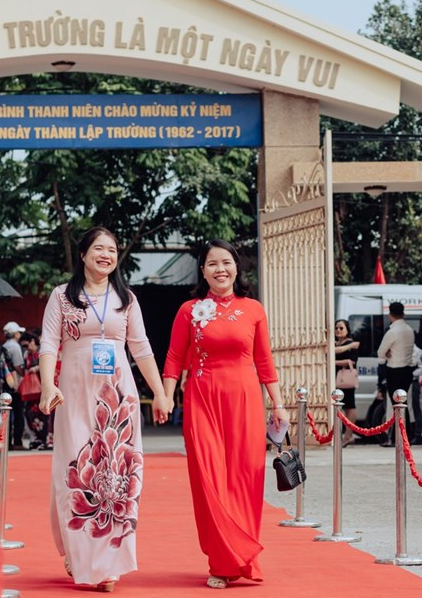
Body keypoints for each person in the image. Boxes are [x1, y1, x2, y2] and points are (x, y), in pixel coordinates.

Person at [37, 227, 167, 592]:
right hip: (74, 393)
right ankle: (78, 554)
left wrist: (159, 393)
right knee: (75, 470)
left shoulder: (126, 298)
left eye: (111, 249)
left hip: (117, 394)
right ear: (83, 254)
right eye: (98, 248)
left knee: (115, 473)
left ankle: (108, 563)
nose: (106, 255)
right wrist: (48, 385)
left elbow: (141, 348)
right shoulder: (62, 296)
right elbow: (49, 344)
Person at [162, 239, 287, 590]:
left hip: (245, 401)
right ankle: (221, 561)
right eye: (212, 263)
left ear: (236, 267)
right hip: (202, 400)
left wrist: (278, 404)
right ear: (203, 271)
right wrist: (167, 396)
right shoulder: (189, 310)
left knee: (244, 478)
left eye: (226, 262)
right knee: (209, 478)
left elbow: (264, 361)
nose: (220, 269)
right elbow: (174, 356)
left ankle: (242, 556)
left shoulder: (253, 309)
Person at [376, 302, 415, 447]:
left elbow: (380, 352)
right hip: (407, 370)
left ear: (390, 315)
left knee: (396, 406)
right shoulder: (409, 330)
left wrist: (388, 353)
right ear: (403, 313)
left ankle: (395, 438)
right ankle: (406, 437)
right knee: (404, 404)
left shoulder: (392, 331)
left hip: (395, 371)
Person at [21, 332, 52, 450]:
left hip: (43, 388)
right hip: (32, 391)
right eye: (23, 346)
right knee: (30, 413)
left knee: (44, 414)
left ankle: (45, 439)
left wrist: (37, 368)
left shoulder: (43, 352)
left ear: (33, 341)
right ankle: (37, 438)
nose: (26, 348)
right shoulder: (27, 355)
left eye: (26, 345)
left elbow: (50, 365)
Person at [334, 318, 359, 447]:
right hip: (335, 379)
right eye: (336, 328)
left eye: (341, 328)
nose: (338, 330)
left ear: (347, 330)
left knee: (349, 407)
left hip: (345, 379)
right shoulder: (335, 344)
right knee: (340, 407)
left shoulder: (351, 343)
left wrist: (333, 362)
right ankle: (344, 435)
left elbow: (352, 362)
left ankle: (348, 435)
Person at [3, 321, 27, 450]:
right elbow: (18, 366)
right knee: (18, 413)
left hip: (7, 383)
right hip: (16, 383)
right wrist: (24, 374)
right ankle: (17, 441)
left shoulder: (4, 346)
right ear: (15, 334)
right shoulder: (15, 347)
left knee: (7, 413)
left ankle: (7, 441)